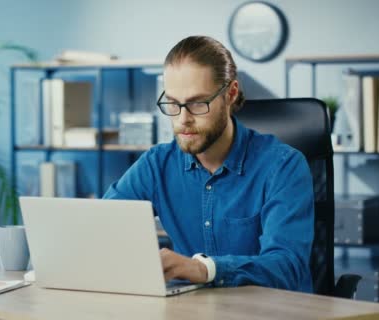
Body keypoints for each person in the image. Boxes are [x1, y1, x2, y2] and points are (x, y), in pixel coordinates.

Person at [103, 36, 314, 292]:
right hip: (194, 310)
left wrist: (204, 269)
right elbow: (102, 227)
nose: (183, 120)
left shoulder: (283, 166)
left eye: (197, 103)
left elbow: (287, 267)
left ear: (231, 94)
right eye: (172, 103)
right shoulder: (156, 164)